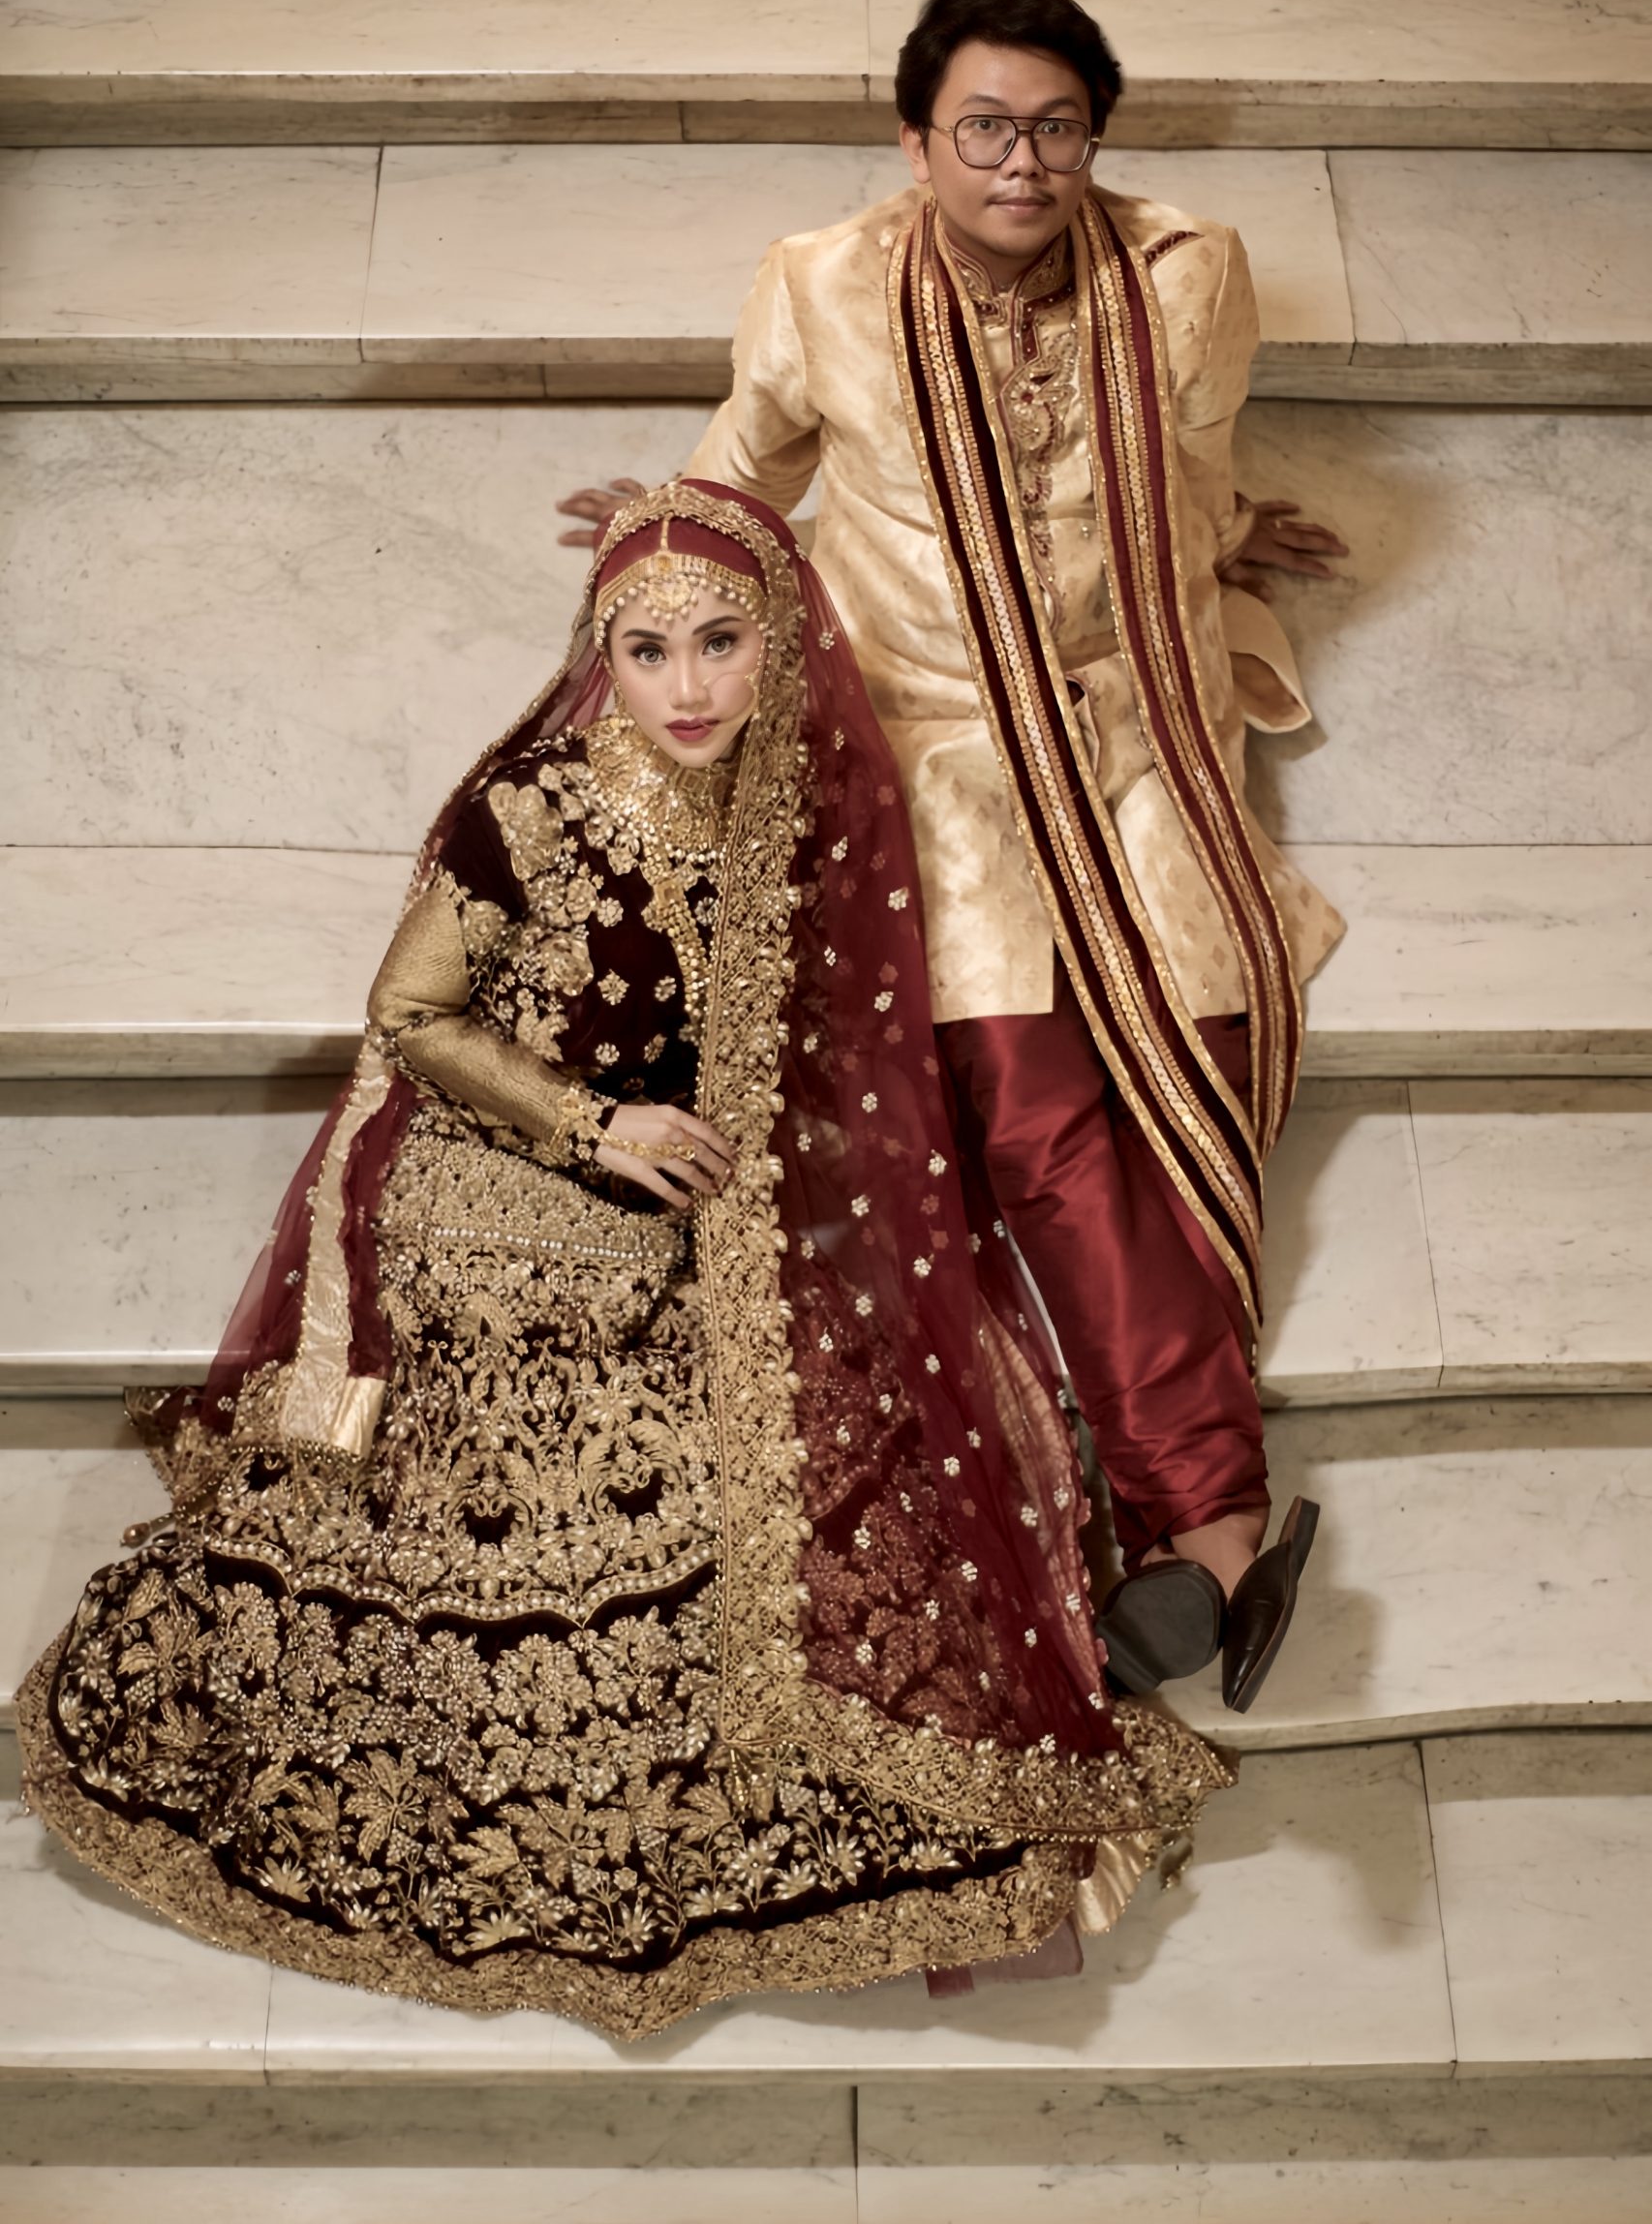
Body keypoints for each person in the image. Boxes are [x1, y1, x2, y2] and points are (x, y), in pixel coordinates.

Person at [19, 479, 1229, 2041]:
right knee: (622, 1429)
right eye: (645, 652)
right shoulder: (532, 805)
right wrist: (596, 1127)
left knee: (822, 1436)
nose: (686, 688)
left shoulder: (803, 805)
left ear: (780, 640)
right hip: (499, 1173)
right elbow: (410, 1018)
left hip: (689, 1197)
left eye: (721, 642)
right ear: (601, 655)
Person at [561, 0, 1348, 1712]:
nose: (1020, 162)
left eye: (1056, 128)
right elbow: (745, 472)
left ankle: (1203, 1517)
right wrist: (666, 539)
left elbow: (1182, 467)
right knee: (1027, 1101)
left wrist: (1224, 534)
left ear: (1093, 139)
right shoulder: (822, 282)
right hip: (936, 740)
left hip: (1137, 714)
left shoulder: (1184, 273)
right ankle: (1211, 1520)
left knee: (1202, 1051)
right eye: (983, 128)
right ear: (916, 142)